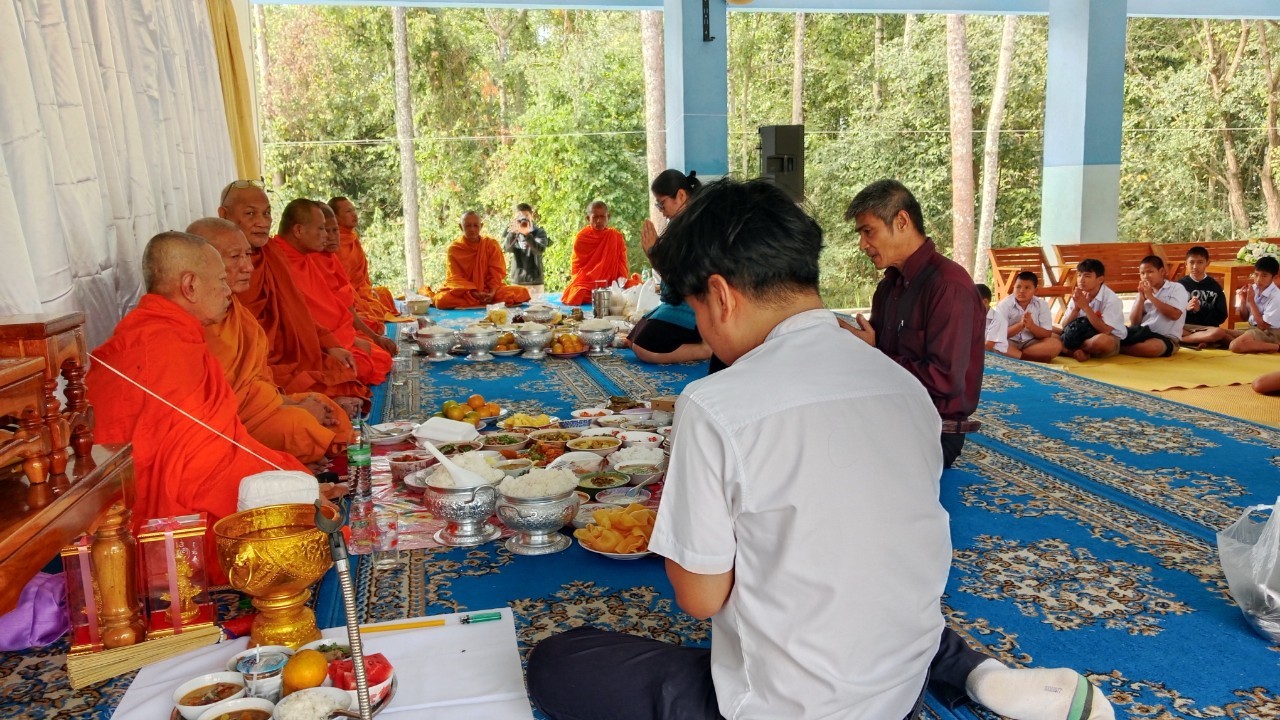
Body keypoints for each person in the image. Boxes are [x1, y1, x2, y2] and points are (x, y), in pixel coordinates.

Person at [527, 178, 954, 719]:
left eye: (698, 310)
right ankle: (968, 670)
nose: (705, 329)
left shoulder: (715, 404)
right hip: (903, 687)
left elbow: (700, 598)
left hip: (791, 707)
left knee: (560, 661)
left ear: (722, 296)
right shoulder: (904, 386)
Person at [842, 180, 1113, 720]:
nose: (864, 244)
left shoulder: (949, 286)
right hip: (892, 418)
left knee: (842, 489)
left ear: (902, 222)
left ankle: (891, 615)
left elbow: (947, 384)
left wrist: (874, 356)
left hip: (932, 430)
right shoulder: (891, 286)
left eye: (869, 232)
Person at [86, 232, 311, 585]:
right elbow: (198, 470)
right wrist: (286, 485)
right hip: (150, 520)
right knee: (298, 521)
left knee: (295, 483)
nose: (228, 289)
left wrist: (282, 472)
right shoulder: (165, 348)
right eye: (220, 280)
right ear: (190, 285)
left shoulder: (170, 335)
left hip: (135, 504)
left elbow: (219, 440)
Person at [189, 217, 353, 466]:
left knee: (325, 406)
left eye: (247, 255)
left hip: (266, 404)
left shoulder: (235, 311)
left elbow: (259, 379)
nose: (248, 267)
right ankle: (292, 462)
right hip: (237, 426)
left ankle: (302, 458)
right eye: (235, 257)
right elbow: (221, 409)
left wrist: (289, 402)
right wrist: (293, 409)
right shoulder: (196, 324)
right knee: (298, 425)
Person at [219, 181, 369, 414]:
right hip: (257, 367)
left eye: (266, 213)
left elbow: (297, 311)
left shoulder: (271, 254)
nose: (262, 222)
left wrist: (330, 344)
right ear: (224, 215)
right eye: (250, 214)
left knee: (347, 371)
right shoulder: (216, 266)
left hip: (291, 355)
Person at [273, 199, 393, 385]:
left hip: (332, 337)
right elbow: (296, 321)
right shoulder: (276, 261)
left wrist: (350, 339)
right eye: (321, 229)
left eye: (331, 230)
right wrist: (334, 344)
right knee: (361, 365)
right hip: (306, 349)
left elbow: (333, 306)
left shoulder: (303, 258)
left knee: (377, 357)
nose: (326, 236)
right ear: (298, 230)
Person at [626, 169, 723, 371]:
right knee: (633, 337)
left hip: (697, 305)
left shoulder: (698, 225)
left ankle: (706, 348)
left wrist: (654, 255)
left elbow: (685, 281)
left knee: (643, 346)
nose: (661, 210)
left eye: (662, 203)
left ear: (680, 196)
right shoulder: (681, 224)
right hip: (680, 301)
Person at [432, 211, 532, 309]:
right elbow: (455, 278)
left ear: (481, 226)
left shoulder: (490, 245)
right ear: (461, 227)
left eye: (475, 225)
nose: (472, 229)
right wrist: (473, 293)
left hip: (488, 291)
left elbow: (496, 273)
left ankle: (482, 300)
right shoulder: (455, 249)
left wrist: (492, 292)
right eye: (468, 226)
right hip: (465, 292)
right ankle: (480, 301)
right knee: (441, 300)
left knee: (523, 292)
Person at [330, 196, 401, 323]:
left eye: (354, 210)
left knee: (383, 293)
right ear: (335, 217)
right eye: (348, 211)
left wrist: (369, 291)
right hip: (350, 296)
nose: (354, 214)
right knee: (368, 311)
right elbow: (341, 283)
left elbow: (362, 277)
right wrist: (359, 297)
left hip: (362, 291)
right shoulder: (334, 243)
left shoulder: (352, 237)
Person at [1191, 256, 1280, 354]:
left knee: (1235, 346)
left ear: (1274, 277)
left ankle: (1277, 347)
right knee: (1218, 332)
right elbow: (1244, 317)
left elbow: (1263, 326)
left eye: (1264, 276)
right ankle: (1245, 343)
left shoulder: (1276, 297)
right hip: (1254, 329)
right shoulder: (1254, 288)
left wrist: (1251, 302)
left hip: (1271, 333)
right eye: (1256, 274)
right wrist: (1243, 301)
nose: (1258, 279)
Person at [561, 200, 636, 305]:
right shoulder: (582, 238)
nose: (599, 221)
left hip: (611, 283)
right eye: (595, 217)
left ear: (608, 217)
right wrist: (593, 279)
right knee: (578, 293)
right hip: (588, 284)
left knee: (635, 287)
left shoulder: (615, 237)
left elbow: (621, 264)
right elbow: (577, 268)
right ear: (588, 218)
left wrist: (620, 284)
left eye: (602, 217)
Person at [1057, 259, 1127, 362]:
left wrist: (1086, 307)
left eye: (1087, 276)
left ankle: (1068, 350)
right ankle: (1077, 351)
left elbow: (1105, 330)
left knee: (1102, 341)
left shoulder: (1111, 299)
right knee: (1049, 331)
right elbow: (1064, 326)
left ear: (1100, 279)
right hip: (1078, 334)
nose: (1081, 280)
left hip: (1104, 336)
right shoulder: (1079, 295)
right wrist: (1076, 309)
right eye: (1079, 275)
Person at [1119, 255, 1188, 358]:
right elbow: (1134, 323)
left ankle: (1117, 348)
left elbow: (1175, 315)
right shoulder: (1143, 291)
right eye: (1142, 273)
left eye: (1150, 272)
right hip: (1142, 332)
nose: (1145, 276)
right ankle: (1116, 345)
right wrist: (1141, 300)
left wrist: (1151, 297)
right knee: (1111, 333)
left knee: (1152, 348)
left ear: (1162, 271)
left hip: (1166, 337)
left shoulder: (1176, 288)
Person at [995, 271, 1063, 362]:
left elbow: (1047, 333)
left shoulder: (1042, 305)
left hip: (1031, 342)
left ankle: (1018, 355)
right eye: (1018, 287)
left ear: (1035, 290)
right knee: (995, 343)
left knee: (1056, 345)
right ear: (1013, 288)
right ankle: (1029, 358)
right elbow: (999, 334)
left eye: (1027, 287)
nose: (1022, 291)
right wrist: (1020, 325)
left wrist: (1032, 326)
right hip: (1009, 342)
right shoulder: (1004, 305)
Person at [1178, 245, 1228, 348]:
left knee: (1218, 333)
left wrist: (1200, 310)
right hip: (1185, 327)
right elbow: (1171, 313)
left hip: (1207, 328)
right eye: (1191, 262)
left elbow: (1221, 315)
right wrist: (1185, 309)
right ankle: (1200, 340)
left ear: (1207, 263)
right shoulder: (1179, 286)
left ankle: (1189, 340)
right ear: (1186, 264)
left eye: (1200, 262)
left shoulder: (1214, 286)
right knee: (1168, 328)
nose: (1195, 266)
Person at [502, 203, 551, 297]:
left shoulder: (539, 232)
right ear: (515, 218)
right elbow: (507, 248)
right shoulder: (512, 232)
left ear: (531, 216)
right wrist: (513, 233)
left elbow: (539, 250)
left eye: (526, 216)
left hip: (535, 281)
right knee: (516, 306)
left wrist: (528, 235)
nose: (524, 219)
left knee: (537, 306)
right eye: (520, 216)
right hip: (517, 280)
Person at [976, 284, 1012, 356]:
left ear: (985, 302)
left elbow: (988, 346)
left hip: (995, 354)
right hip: (979, 350)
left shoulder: (998, 320)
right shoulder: (971, 316)